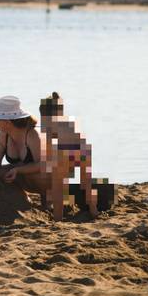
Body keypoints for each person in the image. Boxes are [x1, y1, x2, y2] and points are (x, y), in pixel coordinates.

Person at [39, 92, 98, 220]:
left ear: (43, 113)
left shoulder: (47, 123)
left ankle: (58, 217)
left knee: (58, 185)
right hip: (84, 152)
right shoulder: (70, 120)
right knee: (87, 184)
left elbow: (48, 148)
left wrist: (47, 163)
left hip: (66, 153)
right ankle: (94, 210)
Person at [0, 95, 49, 198]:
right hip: (26, 179)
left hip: (48, 179)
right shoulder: (3, 137)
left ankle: (49, 199)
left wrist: (18, 170)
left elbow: (43, 165)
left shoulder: (33, 135)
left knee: (39, 174)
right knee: (1, 172)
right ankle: (20, 198)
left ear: (7, 122)